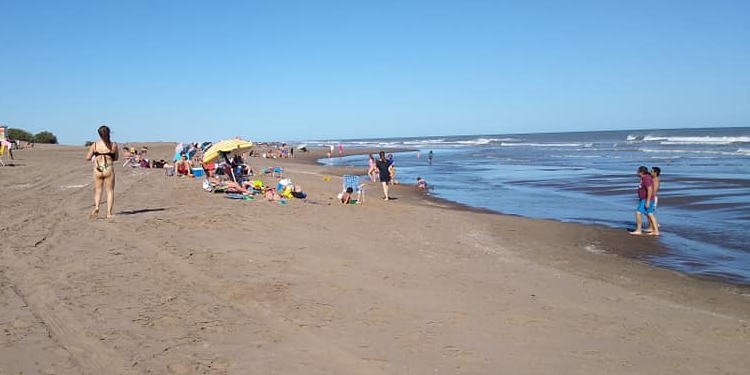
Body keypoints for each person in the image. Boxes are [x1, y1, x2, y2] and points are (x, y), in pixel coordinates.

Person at [85, 125, 119, 219]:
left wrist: (95, 157)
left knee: (98, 190)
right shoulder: (113, 145)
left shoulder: (95, 145)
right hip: (108, 168)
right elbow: (116, 158)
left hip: (98, 169)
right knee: (110, 191)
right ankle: (108, 213)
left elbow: (87, 157)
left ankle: (96, 207)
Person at [630, 166, 659, 236]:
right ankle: (655, 231)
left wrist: (648, 201)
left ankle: (639, 230)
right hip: (645, 199)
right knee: (649, 214)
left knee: (638, 213)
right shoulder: (644, 178)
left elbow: (650, 189)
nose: (636, 172)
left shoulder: (646, 179)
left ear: (641, 172)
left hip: (646, 199)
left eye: (638, 171)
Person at [646, 167, 662, 233]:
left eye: (651, 171)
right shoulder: (652, 178)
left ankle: (652, 227)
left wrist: (649, 199)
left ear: (655, 173)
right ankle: (653, 225)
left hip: (652, 198)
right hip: (650, 197)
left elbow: (654, 191)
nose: (650, 172)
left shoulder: (656, 180)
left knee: (649, 213)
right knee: (648, 213)